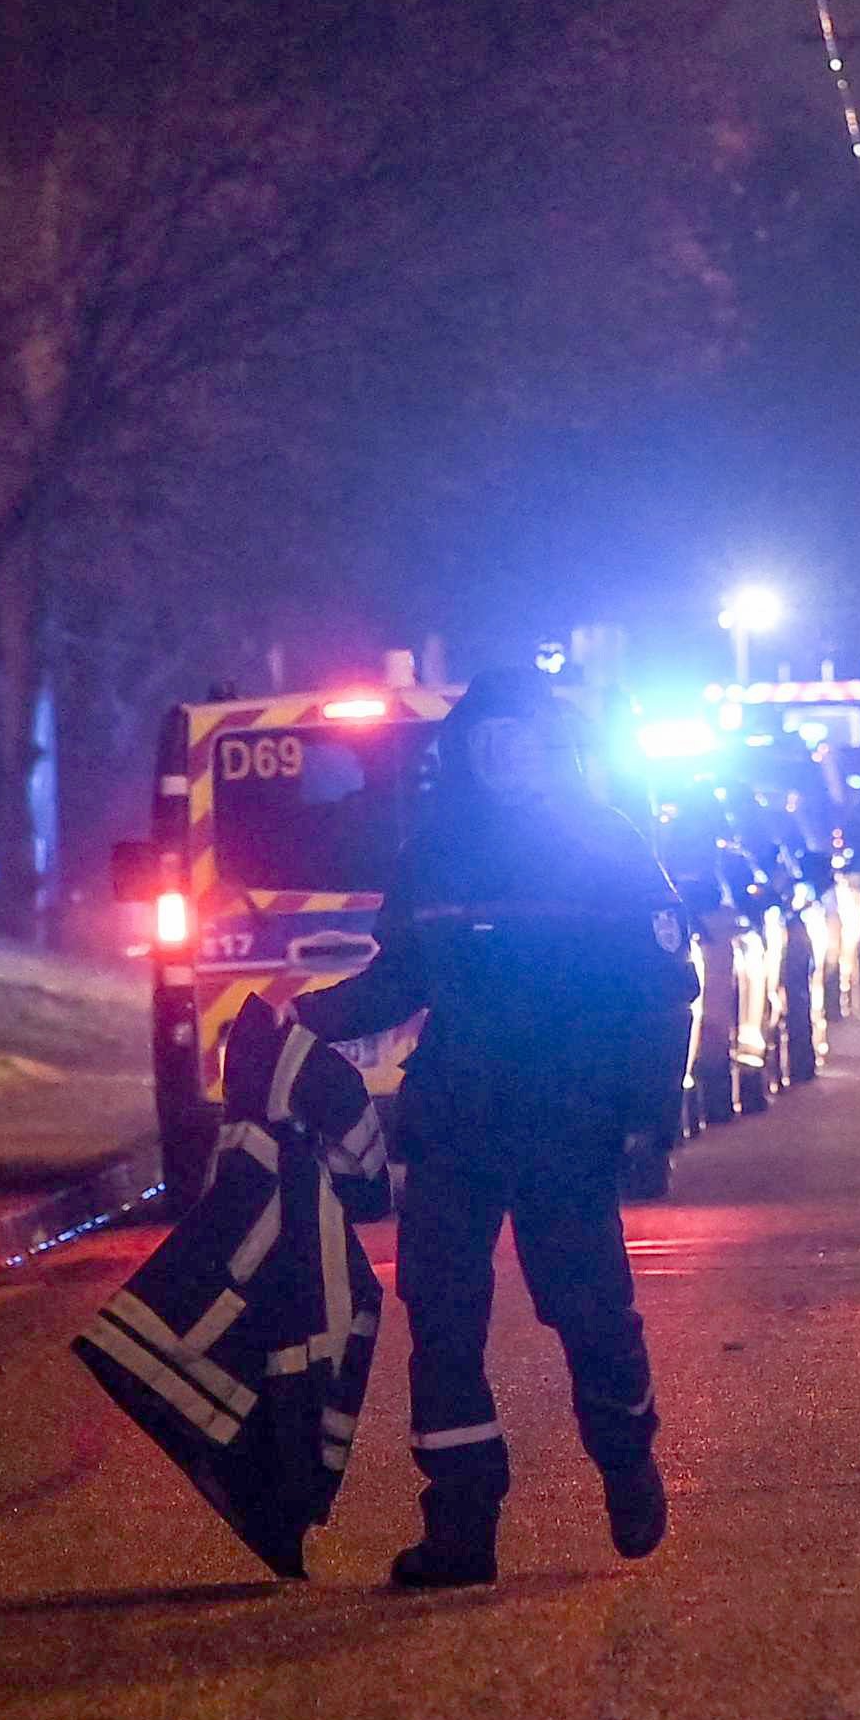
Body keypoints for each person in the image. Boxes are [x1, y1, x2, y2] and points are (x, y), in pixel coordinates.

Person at [297, 674, 693, 1590]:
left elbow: (664, 992)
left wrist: (646, 1123)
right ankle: (461, 1527)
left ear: (547, 748)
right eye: (482, 744)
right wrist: (308, 1019)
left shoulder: (605, 845)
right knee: (440, 1322)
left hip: (568, 1121)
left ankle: (627, 1461)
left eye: (514, 741)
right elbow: (402, 980)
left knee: (588, 1312)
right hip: (456, 1124)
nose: (497, 759)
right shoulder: (435, 850)